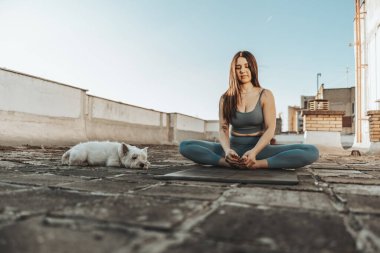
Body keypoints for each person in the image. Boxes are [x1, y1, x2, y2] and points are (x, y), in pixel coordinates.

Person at [179, 51, 319, 169]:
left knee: (311, 151)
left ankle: (258, 165)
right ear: (233, 71)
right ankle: (226, 164)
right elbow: (223, 128)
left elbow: (270, 129)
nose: (243, 71)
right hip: (233, 150)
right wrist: (227, 151)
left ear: (253, 67)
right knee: (185, 146)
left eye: (246, 66)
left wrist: (254, 153)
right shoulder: (226, 98)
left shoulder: (265, 94)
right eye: (238, 67)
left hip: (259, 150)